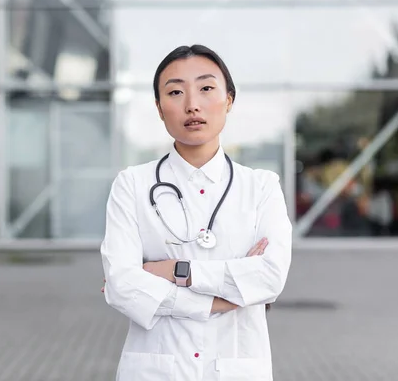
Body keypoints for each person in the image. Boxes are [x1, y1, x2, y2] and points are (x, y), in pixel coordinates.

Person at [100, 44, 292, 381]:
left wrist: (176, 271)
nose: (192, 105)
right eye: (175, 92)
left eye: (206, 88)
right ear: (159, 108)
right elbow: (121, 285)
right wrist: (218, 301)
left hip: (237, 368)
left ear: (229, 99)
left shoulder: (261, 187)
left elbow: (270, 278)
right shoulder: (132, 185)